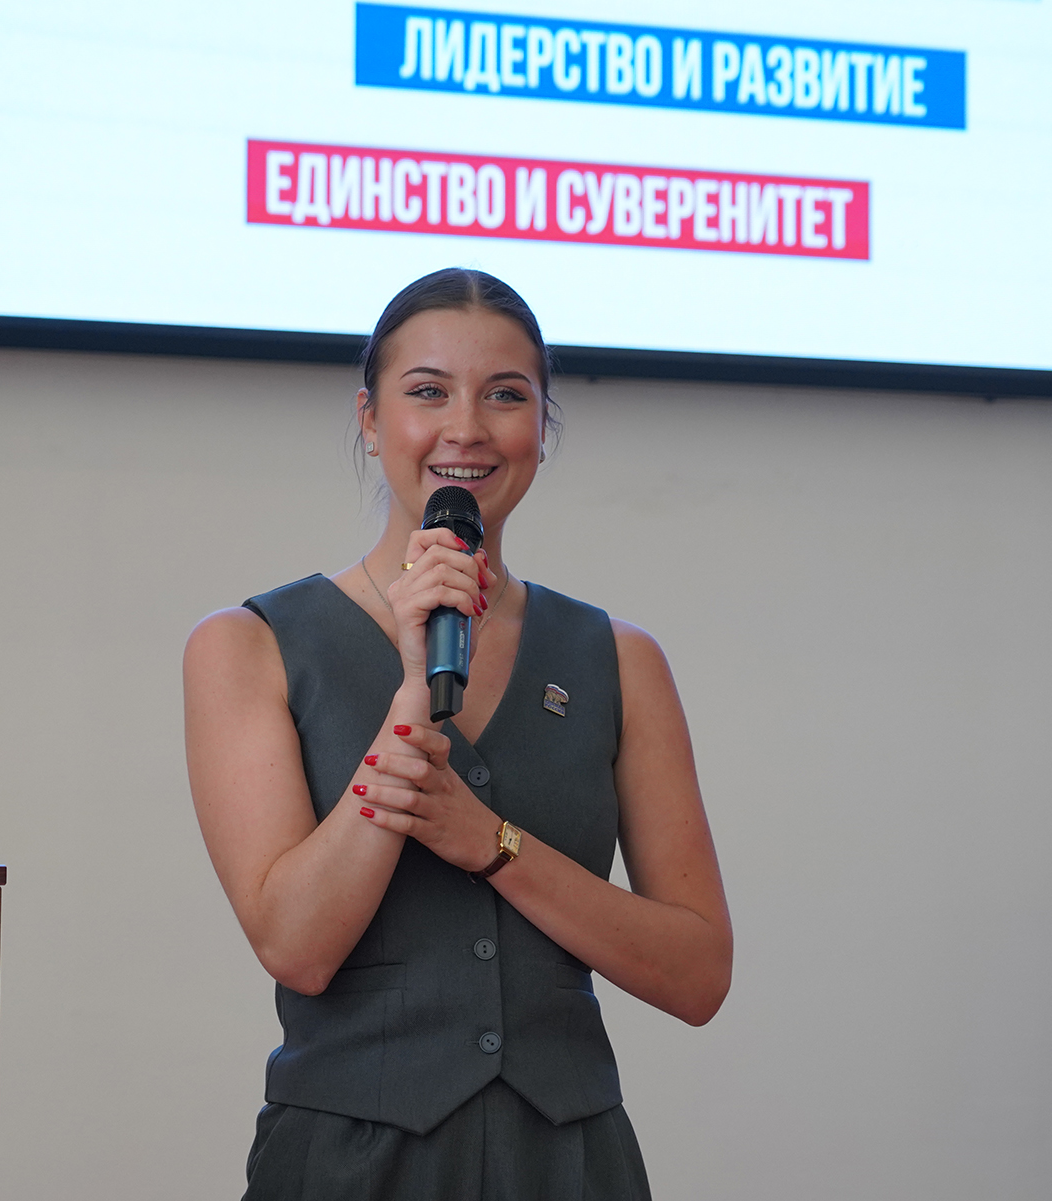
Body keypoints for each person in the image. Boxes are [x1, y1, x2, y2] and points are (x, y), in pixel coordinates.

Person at [183, 268, 731, 1199]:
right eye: (429, 391)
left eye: (506, 396)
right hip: (349, 1162)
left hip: (569, 1163)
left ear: (542, 430)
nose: (466, 427)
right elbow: (297, 945)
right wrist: (411, 688)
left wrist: (494, 844)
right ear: (370, 419)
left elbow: (697, 972)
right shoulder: (249, 645)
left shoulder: (619, 658)